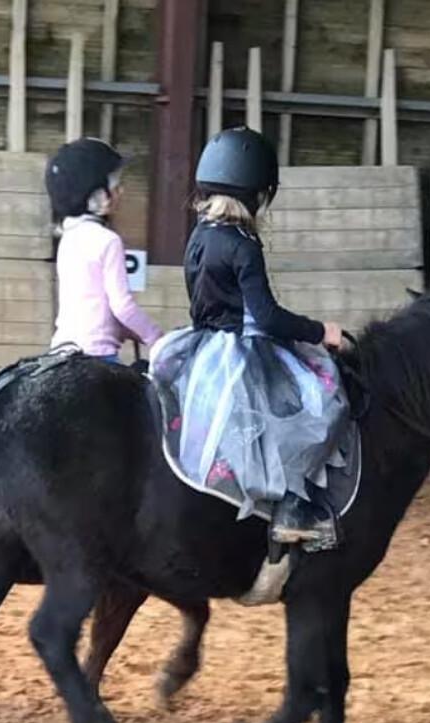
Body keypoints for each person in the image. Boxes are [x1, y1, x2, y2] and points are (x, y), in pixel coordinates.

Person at [149, 127, 351, 551]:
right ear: (258, 193)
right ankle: (292, 508)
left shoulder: (199, 235)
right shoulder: (244, 245)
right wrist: (321, 331)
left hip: (202, 349)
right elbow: (269, 317)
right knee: (320, 404)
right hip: (242, 352)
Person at [45, 137, 162, 362]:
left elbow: (96, 308)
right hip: (98, 354)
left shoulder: (68, 240)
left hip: (61, 352)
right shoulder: (107, 241)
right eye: (115, 186)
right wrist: (157, 338)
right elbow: (122, 307)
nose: (121, 191)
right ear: (97, 197)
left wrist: (133, 332)